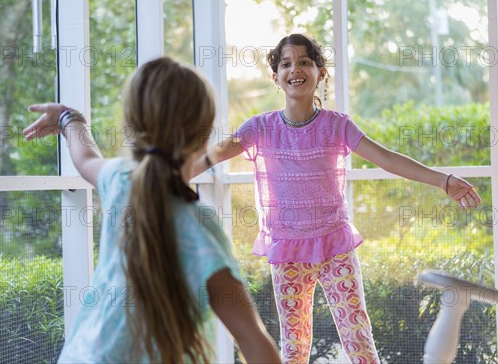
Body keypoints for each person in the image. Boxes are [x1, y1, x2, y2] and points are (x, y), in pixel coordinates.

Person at [191, 34, 482, 364]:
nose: (295, 69)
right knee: (294, 345)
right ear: (275, 78)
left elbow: (387, 159)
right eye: (286, 63)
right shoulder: (261, 127)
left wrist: (443, 181)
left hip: (334, 246)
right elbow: (213, 155)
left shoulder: (336, 126)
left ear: (320, 73)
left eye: (304, 62)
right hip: (287, 248)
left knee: (357, 337)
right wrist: (162, 178)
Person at [23, 57, 281, 364]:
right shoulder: (199, 225)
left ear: (133, 126)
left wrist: (68, 117)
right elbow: (251, 338)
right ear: (205, 134)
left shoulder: (120, 182)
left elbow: (85, 157)